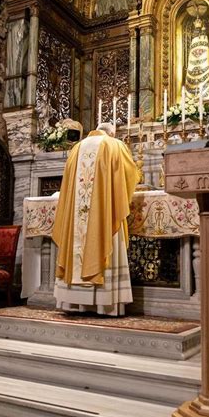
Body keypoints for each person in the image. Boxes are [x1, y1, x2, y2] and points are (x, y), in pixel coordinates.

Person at [52, 122, 139, 316]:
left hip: (76, 215)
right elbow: (131, 174)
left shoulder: (75, 149)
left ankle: (72, 303)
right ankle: (104, 304)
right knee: (104, 239)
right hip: (103, 214)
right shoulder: (114, 145)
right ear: (111, 132)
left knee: (76, 242)